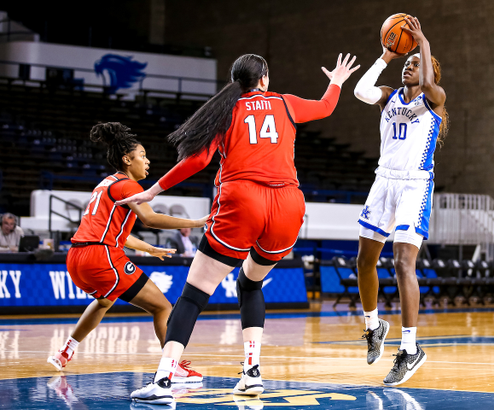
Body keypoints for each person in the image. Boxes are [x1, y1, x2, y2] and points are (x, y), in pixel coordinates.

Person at [117, 52, 360, 404]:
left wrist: (153, 190)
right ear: (264, 78)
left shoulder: (225, 111)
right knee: (250, 282)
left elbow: (198, 160)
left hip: (243, 199)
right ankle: (251, 373)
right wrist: (336, 81)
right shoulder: (286, 103)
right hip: (288, 205)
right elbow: (324, 107)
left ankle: (164, 379)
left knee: (194, 294)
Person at [47, 122, 207, 384]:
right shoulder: (128, 186)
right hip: (101, 257)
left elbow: (118, 233)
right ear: (126, 159)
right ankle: (172, 369)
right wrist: (197, 223)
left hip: (76, 258)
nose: (147, 161)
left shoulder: (105, 184)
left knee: (104, 301)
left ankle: (65, 352)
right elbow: (150, 219)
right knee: (162, 307)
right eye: (142, 156)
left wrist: (150, 249)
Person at [353, 16, 448, 386]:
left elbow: (427, 81)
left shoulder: (434, 99)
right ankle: (374, 326)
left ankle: (410, 349)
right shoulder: (388, 97)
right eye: (408, 63)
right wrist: (387, 56)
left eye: (416, 64)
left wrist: (422, 42)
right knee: (365, 260)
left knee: (403, 262)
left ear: (429, 72)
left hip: (414, 186)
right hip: (383, 182)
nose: (410, 67)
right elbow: (361, 90)